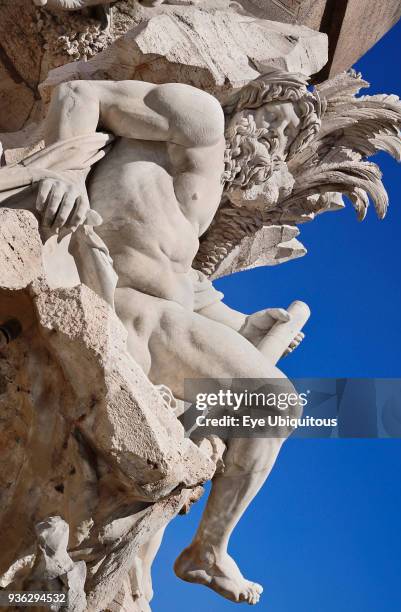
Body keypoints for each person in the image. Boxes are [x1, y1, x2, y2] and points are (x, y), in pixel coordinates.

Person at [30, 75, 313, 604]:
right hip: (121, 301)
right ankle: (206, 552)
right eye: (278, 119)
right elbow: (79, 95)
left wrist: (240, 323)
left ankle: (140, 565)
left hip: (156, 318)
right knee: (272, 402)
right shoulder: (201, 117)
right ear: (249, 106)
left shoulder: (200, 197)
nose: (278, 141)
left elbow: (178, 276)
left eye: (289, 139)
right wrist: (58, 171)